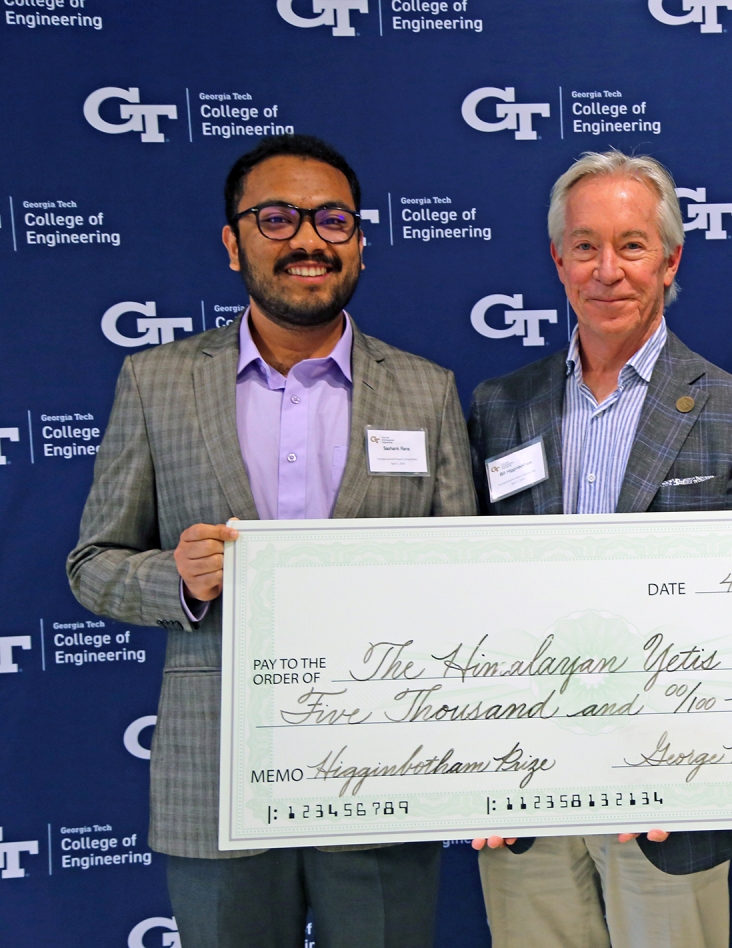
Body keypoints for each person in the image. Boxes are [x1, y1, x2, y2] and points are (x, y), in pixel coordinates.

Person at [67, 134, 476, 948]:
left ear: (359, 241)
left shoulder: (427, 391)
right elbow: (92, 567)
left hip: (384, 770)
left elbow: (466, 580)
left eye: (332, 220)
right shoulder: (157, 381)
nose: (308, 240)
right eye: (278, 218)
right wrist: (177, 578)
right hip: (217, 779)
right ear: (234, 243)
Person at [467, 150, 732, 948]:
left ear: (671, 259)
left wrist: (693, 765)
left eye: (632, 245)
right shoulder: (500, 408)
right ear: (558, 260)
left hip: (668, 793)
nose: (607, 270)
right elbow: (469, 601)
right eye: (585, 246)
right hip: (525, 782)